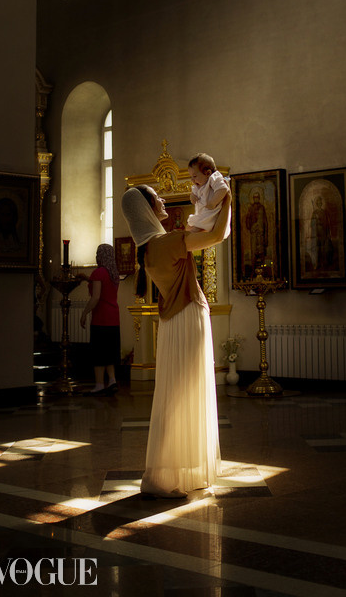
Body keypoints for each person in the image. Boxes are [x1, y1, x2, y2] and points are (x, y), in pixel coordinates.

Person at [121, 184, 231, 499]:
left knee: (177, 393)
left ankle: (177, 470)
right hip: (187, 318)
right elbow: (217, 236)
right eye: (157, 197)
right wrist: (227, 200)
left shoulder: (150, 248)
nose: (163, 199)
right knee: (184, 393)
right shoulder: (166, 242)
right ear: (145, 208)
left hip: (174, 321)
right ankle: (164, 476)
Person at [79, 243, 120, 394]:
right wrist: (87, 279)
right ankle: (112, 380)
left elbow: (96, 297)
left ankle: (99, 384)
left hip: (101, 317)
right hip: (114, 317)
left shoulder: (98, 273)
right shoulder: (114, 273)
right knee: (109, 351)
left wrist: (84, 313)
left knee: (98, 352)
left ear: (100, 255)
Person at [186, 153, 230, 238]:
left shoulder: (214, 178)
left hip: (212, 215)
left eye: (194, 176)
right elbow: (193, 194)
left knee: (193, 231)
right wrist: (192, 197)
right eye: (191, 177)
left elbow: (223, 189)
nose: (192, 180)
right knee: (188, 227)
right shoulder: (199, 185)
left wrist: (213, 202)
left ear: (208, 173)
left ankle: (188, 243)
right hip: (203, 215)